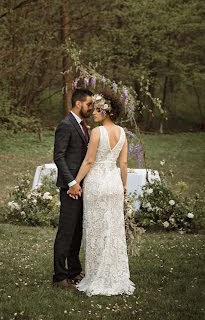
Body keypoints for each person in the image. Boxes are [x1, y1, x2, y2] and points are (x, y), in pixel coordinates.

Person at [70, 89, 135, 296]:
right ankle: (114, 276)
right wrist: (124, 186)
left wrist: (75, 182)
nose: (94, 113)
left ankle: (98, 275)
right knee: (113, 231)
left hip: (97, 184)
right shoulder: (123, 133)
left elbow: (89, 161)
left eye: (97, 110)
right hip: (114, 183)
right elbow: (123, 162)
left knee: (97, 230)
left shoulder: (98, 132)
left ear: (106, 111)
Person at [52, 88, 93, 290]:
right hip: (70, 188)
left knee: (77, 232)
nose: (91, 108)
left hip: (82, 186)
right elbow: (58, 156)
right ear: (78, 104)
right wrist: (72, 183)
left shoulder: (84, 126)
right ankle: (59, 277)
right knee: (66, 232)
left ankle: (74, 272)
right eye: (89, 104)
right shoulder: (66, 125)